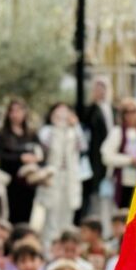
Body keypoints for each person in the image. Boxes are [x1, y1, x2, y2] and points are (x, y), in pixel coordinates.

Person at [38, 103, 86, 245]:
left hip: (70, 178)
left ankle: (66, 246)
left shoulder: (74, 132)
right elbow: (43, 147)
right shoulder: (48, 131)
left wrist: (75, 126)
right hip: (52, 178)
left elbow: (83, 146)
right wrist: (56, 125)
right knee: (52, 214)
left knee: (67, 213)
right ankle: (49, 247)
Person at [0, 98, 43, 224]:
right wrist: (20, 158)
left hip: (28, 182)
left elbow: (40, 152)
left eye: (19, 110)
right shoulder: (2, 134)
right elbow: (2, 156)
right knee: (11, 214)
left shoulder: (31, 133)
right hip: (11, 180)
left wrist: (35, 159)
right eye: (13, 111)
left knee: (27, 213)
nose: (16, 114)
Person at [100, 98, 136, 210]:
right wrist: (130, 160)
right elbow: (106, 156)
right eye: (127, 112)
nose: (131, 115)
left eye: (134, 111)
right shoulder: (117, 132)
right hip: (121, 182)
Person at [81, 76, 114, 221]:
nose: (100, 91)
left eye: (103, 88)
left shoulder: (113, 108)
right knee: (94, 191)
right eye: (97, 88)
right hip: (95, 156)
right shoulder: (91, 109)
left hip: (111, 155)